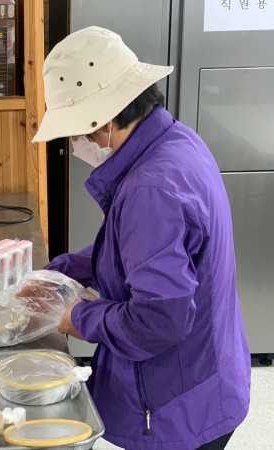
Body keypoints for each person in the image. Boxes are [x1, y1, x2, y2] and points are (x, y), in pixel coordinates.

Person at [32, 27, 251, 450]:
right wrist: (64, 271)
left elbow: (158, 320)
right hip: (209, 376)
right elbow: (139, 251)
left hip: (179, 406)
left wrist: (77, 318)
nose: (77, 144)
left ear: (106, 122)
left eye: (78, 132)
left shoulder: (149, 189)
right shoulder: (175, 140)